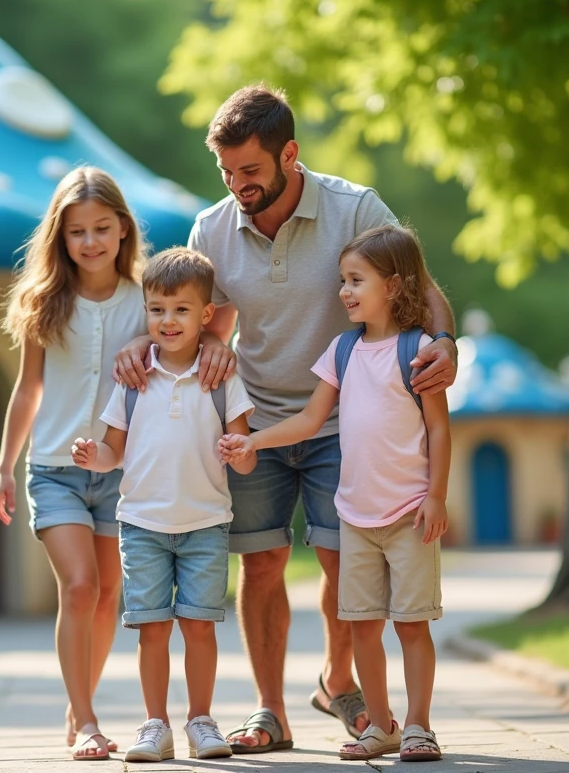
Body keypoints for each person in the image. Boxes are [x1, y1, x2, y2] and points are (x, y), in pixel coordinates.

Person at [114, 84, 458, 753]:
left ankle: (337, 680)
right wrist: (148, 342)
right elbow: (201, 322)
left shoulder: (353, 208)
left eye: (251, 170)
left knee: (339, 559)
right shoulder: (212, 227)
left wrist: (443, 342)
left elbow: (422, 285)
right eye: (227, 172)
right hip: (255, 419)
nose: (238, 184)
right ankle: (270, 710)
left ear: (289, 154)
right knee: (262, 564)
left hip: (342, 423)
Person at [220, 223, 450, 762]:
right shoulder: (342, 350)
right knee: (363, 629)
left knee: (411, 626)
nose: (343, 292)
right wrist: (252, 441)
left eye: (354, 281)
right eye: (343, 281)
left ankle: (418, 725)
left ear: (392, 286)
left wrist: (436, 496)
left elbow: (438, 428)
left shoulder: (416, 350)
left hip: (411, 515)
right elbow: (309, 420)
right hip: (357, 517)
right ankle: (381, 727)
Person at [71, 247, 257, 762]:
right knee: (152, 630)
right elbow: (114, 452)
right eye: (157, 309)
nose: (167, 320)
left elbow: (245, 456)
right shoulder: (132, 380)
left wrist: (239, 453)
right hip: (142, 525)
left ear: (206, 315)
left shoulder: (222, 379)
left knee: (199, 627)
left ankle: (201, 722)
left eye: (180, 309)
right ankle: (156, 725)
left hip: (205, 524)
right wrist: (94, 456)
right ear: (146, 312)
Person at [0, 166, 148, 761]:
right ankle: (86, 720)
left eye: (102, 228)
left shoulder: (144, 299)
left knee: (110, 594)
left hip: (120, 471)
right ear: (60, 237)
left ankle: (78, 700)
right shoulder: (43, 301)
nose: (90, 242)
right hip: (54, 468)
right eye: (77, 232)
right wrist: (6, 467)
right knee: (80, 587)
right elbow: (28, 389)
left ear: (123, 229)